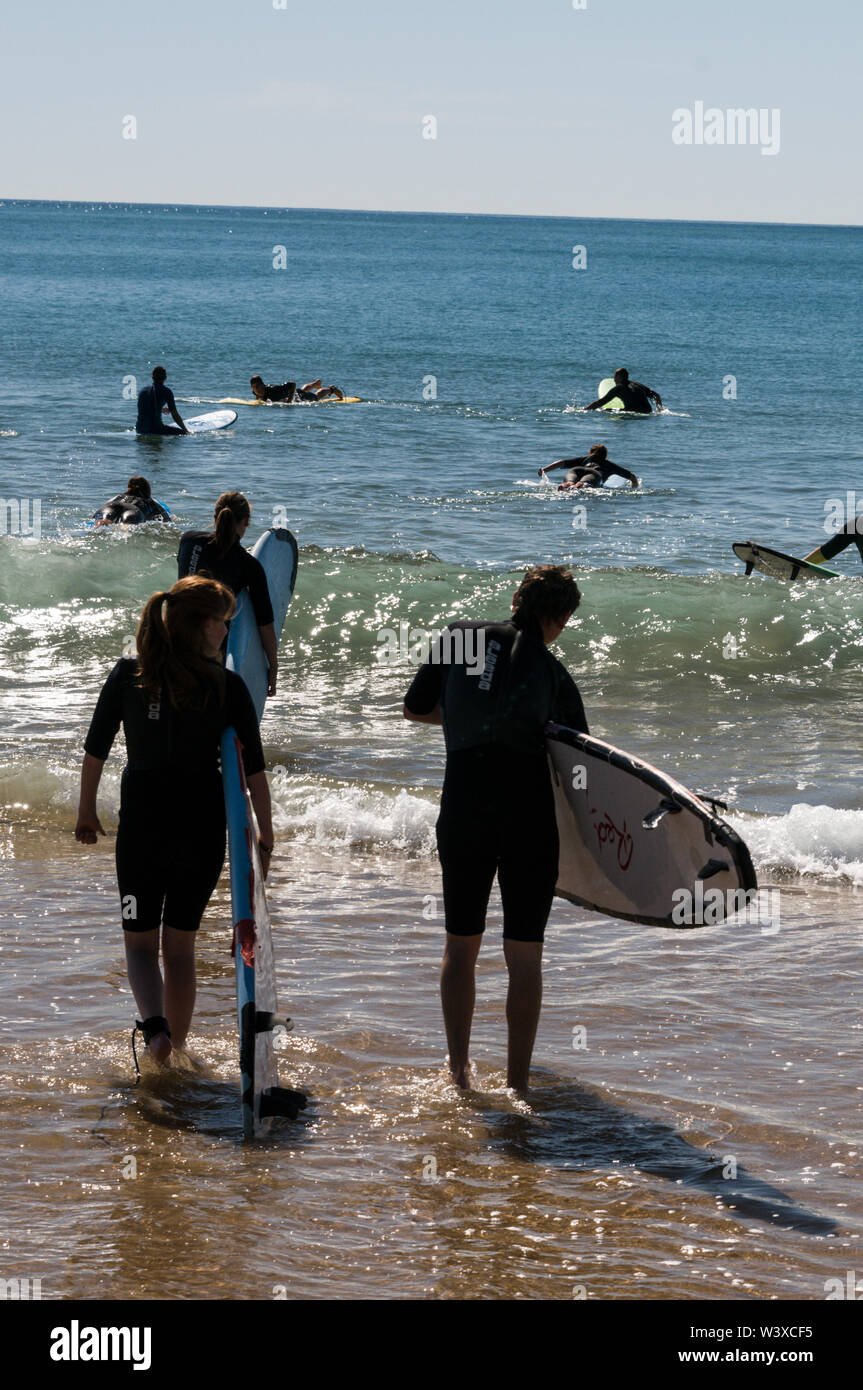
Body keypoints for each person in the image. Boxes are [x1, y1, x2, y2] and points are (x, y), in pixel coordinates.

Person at [402, 565, 589, 1094]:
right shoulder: (555, 676)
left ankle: (459, 1072)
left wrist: (467, 718)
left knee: (460, 946)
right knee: (524, 955)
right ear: (560, 618)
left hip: (464, 810)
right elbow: (579, 764)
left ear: (515, 598)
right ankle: (518, 1084)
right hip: (529, 821)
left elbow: (415, 708)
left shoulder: (459, 637)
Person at [74, 576, 274, 1064]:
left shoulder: (128, 675)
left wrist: (86, 810)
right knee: (179, 947)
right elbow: (254, 772)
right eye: (224, 622)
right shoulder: (227, 686)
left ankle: (156, 1033)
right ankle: (178, 1051)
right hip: (201, 829)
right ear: (203, 626)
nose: (228, 631)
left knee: (139, 944)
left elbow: (95, 750)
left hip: (142, 824)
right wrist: (265, 836)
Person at [177, 492, 279, 698]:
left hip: (173, 642)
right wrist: (273, 666)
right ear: (246, 522)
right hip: (211, 656)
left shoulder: (188, 542)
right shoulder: (249, 566)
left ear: (215, 517)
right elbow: (264, 623)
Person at [538, 444, 639, 491]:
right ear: (605, 455)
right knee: (581, 484)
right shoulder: (609, 464)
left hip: (576, 470)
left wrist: (544, 470)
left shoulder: (584, 459)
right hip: (594, 473)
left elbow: (561, 463)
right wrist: (634, 488)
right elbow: (632, 476)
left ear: (591, 452)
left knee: (569, 483)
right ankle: (576, 486)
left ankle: (565, 486)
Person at [92, 476, 171, 526]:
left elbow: (100, 509)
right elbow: (166, 520)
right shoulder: (150, 501)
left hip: (111, 506)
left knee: (102, 523)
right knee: (125, 528)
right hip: (133, 510)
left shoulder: (118, 496)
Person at [135, 366, 189, 436]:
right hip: (156, 430)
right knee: (182, 434)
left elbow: (143, 408)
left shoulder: (142, 391)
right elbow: (174, 414)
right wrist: (185, 430)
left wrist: (159, 409)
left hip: (139, 428)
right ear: (165, 378)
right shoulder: (166, 391)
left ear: (152, 377)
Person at [587, 368, 662, 415]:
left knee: (606, 410)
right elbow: (656, 396)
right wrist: (659, 410)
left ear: (619, 377)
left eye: (615, 377)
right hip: (648, 411)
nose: (614, 379)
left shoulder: (619, 388)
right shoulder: (638, 385)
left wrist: (585, 410)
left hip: (634, 412)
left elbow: (601, 402)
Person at [249, 375, 345, 404]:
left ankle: (331, 389)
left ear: (262, 385)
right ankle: (315, 383)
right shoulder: (256, 391)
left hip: (294, 395)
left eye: (257, 386)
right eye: (253, 387)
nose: (255, 389)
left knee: (316, 396)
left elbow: (292, 384)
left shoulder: (272, 389)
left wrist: (290, 401)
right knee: (302, 390)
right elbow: (258, 395)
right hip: (293, 393)